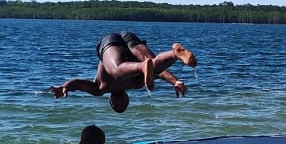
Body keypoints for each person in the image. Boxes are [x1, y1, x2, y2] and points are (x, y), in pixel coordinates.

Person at [49, 31, 198, 113]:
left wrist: (66, 86)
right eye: (123, 107)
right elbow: (158, 72)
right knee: (152, 68)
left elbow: (78, 84)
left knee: (116, 71)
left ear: (110, 101)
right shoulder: (135, 84)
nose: (120, 105)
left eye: (117, 106)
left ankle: (142, 66)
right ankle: (175, 53)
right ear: (127, 100)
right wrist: (175, 81)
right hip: (129, 38)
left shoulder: (101, 88)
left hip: (110, 43)